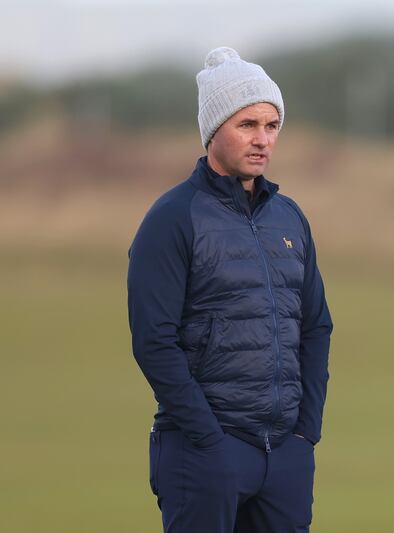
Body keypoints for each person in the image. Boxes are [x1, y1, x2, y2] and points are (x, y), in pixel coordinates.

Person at [127, 47, 333, 533]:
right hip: (205, 453)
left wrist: (305, 433)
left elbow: (315, 325)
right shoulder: (173, 218)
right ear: (214, 129)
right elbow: (154, 340)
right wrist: (207, 438)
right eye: (247, 125)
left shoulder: (290, 217)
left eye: (272, 125)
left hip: (284, 453)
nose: (263, 140)